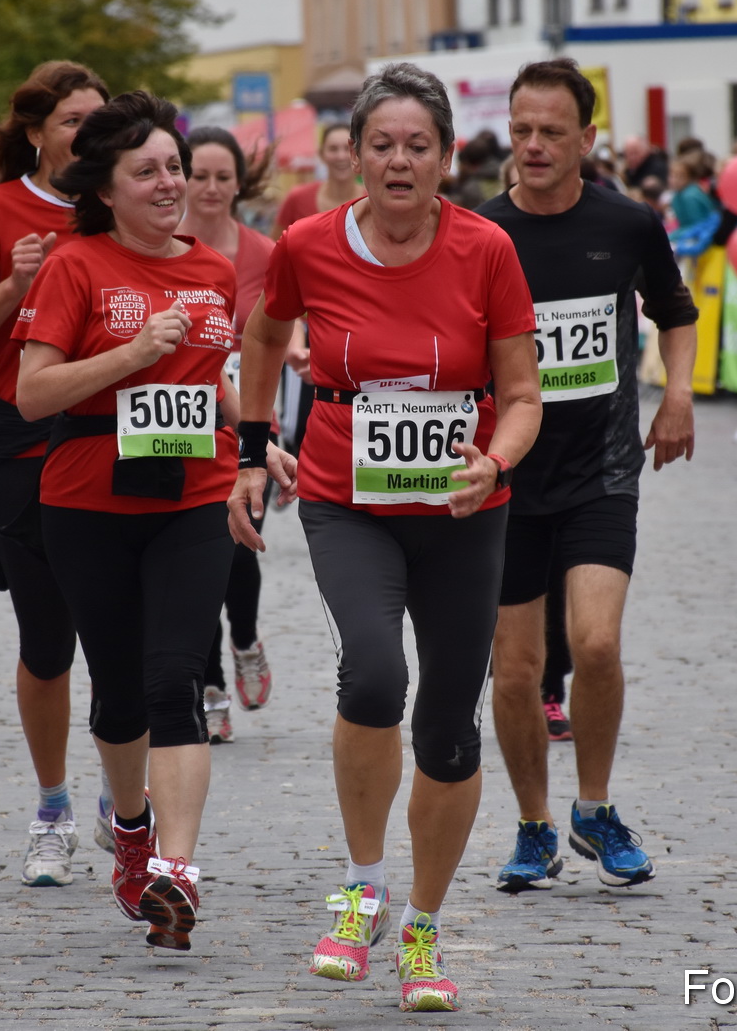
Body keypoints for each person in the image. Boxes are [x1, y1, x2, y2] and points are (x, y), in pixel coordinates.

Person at [229, 62, 541, 1012]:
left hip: (460, 510)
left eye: (418, 146)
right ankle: (362, 886)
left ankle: (423, 928)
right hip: (347, 496)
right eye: (382, 144)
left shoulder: (488, 250)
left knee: (448, 725)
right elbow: (263, 337)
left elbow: (523, 396)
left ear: (448, 157)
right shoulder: (309, 244)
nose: (399, 161)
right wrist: (254, 446)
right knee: (372, 675)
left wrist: (494, 459)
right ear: (353, 155)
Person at [15, 90, 292, 953]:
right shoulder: (75, 264)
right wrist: (130, 354)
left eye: (176, 167)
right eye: (150, 171)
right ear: (106, 188)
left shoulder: (209, 269)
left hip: (189, 496)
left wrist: (257, 439)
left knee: (175, 677)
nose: (171, 183)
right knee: (120, 692)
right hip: (87, 499)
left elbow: (209, 374)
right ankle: (128, 827)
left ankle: (175, 870)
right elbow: (32, 393)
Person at [473, 59, 696, 900]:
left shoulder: (628, 224)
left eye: (551, 132)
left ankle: (594, 807)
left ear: (586, 139)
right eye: (522, 130)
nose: (533, 145)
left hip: (603, 467)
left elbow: (674, 312)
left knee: (596, 643)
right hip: (508, 475)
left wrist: (676, 393)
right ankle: (534, 826)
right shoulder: (481, 233)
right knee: (518, 669)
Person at [0, 60, 109, 888]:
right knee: (47, 639)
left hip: (116, 431)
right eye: (71, 120)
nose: (85, 134)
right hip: (26, 435)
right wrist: (16, 284)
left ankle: (126, 794)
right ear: (35, 132)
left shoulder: (123, 203)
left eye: (96, 120)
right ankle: (52, 806)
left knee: (124, 629)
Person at [178, 126, 278, 743]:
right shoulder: (168, 249)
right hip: (190, 419)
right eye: (199, 176)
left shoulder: (264, 254)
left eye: (222, 177)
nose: (210, 189)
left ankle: (243, 636)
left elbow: (284, 327)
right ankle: (209, 684)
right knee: (196, 558)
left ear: (239, 183)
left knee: (240, 549)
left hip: (249, 422)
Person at [273, 122, 359, 238]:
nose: (341, 156)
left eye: (347, 149)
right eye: (333, 149)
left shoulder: (372, 202)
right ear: (321, 154)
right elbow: (274, 246)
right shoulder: (297, 198)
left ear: (357, 155)